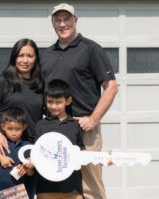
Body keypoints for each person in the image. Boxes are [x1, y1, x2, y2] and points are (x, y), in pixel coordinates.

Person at [41, 3, 118, 199]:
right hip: (55, 130)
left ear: (75, 21)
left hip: (84, 128)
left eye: (67, 19)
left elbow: (111, 87)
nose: (62, 24)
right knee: (58, 187)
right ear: (52, 23)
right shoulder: (47, 54)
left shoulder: (91, 49)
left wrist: (93, 119)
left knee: (90, 186)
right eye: (58, 20)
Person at [0, 38, 44, 155]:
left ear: (36, 59)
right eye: (21, 55)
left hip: (33, 147)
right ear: (14, 57)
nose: (25, 60)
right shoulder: (3, 81)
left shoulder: (40, 84)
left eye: (30, 56)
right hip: (8, 146)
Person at [35, 79, 85, 199]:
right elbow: (36, 152)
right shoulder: (40, 125)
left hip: (73, 189)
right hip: (45, 189)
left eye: (58, 102)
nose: (53, 106)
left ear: (68, 101)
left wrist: (104, 158)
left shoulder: (75, 125)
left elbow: (81, 153)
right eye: (50, 102)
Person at [0, 107, 35, 198]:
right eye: (10, 128)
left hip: (20, 193)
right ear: (3, 127)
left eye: (17, 129)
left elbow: (31, 173)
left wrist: (26, 168)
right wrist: (0, 158)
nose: (14, 133)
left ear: (24, 127)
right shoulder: (0, 143)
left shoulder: (28, 147)